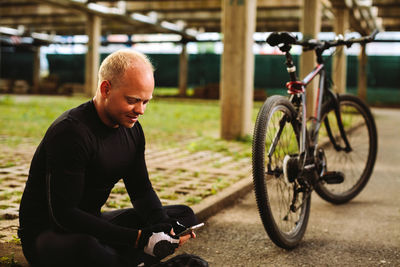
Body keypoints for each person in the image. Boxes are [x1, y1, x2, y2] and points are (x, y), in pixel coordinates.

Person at [18, 49, 208, 267]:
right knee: (87, 248)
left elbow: (141, 190)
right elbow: (64, 216)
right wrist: (138, 238)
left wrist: (163, 228)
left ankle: (123, 259)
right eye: (133, 100)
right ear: (106, 89)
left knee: (183, 215)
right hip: (49, 236)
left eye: (146, 102)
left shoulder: (133, 130)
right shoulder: (71, 133)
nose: (140, 110)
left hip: (93, 223)